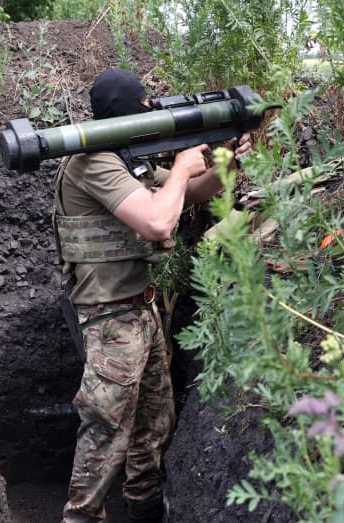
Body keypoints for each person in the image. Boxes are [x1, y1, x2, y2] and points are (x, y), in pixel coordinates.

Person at [55, 68, 251, 523]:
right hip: (108, 316)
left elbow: (197, 192)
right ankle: (81, 516)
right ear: (123, 109)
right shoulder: (93, 162)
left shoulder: (127, 160)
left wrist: (228, 160)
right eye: (143, 102)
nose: (149, 109)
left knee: (154, 422)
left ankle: (143, 507)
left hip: (140, 309)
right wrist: (181, 167)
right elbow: (159, 222)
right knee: (106, 429)